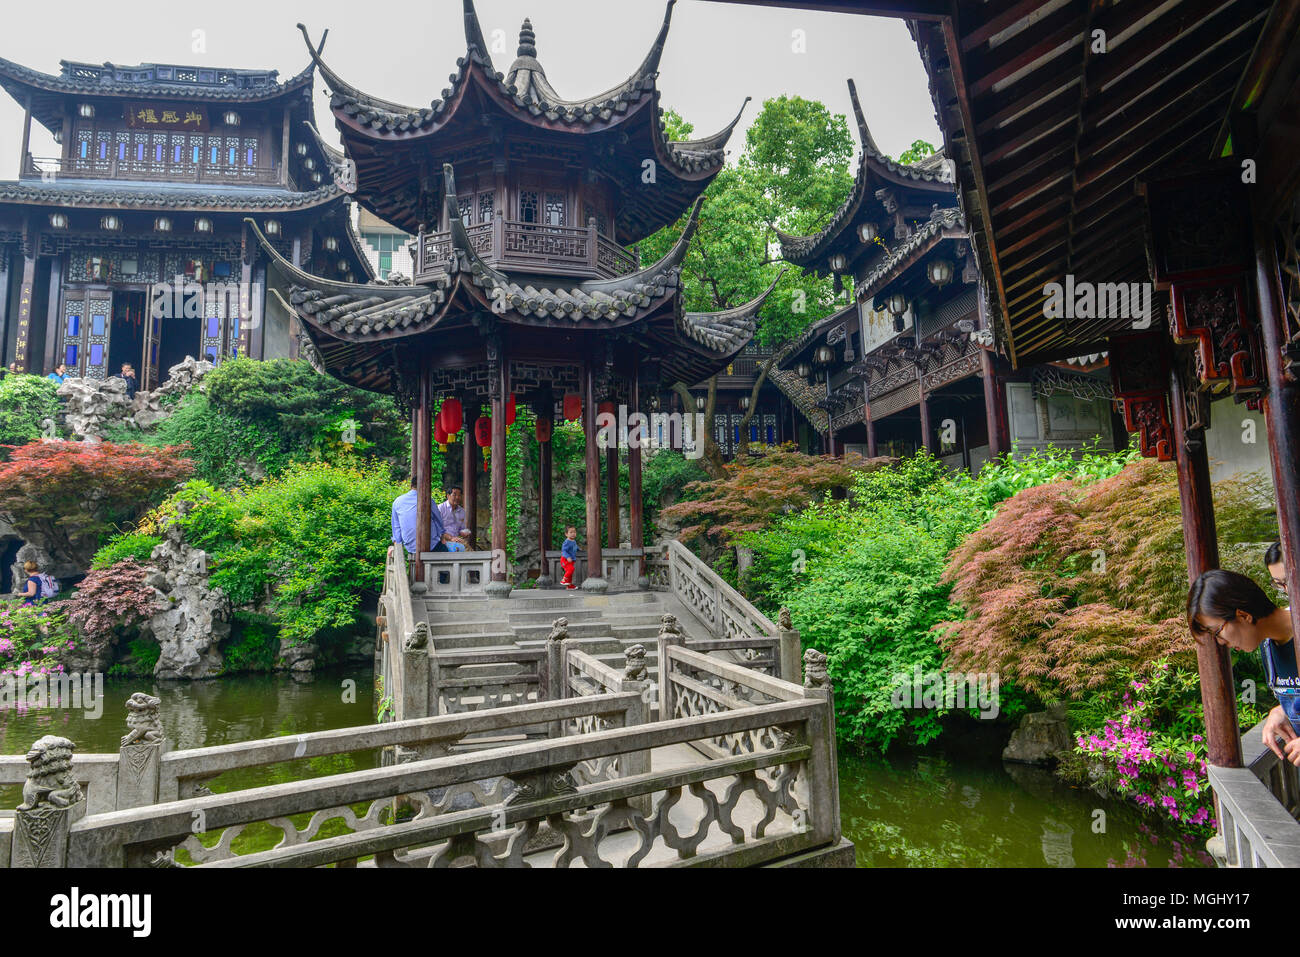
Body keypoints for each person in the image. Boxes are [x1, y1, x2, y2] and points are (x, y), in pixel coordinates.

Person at [1188, 568, 1299, 764]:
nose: (1220, 642)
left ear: (1243, 615)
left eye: (1217, 631)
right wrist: (1282, 710)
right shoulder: (1268, 648)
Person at [390, 476, 451, 556]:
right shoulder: (427, 500)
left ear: (411, 486)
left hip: (410, 547)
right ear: (425, 486)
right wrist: (442, 535)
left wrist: (396, 545)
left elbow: (396, 527)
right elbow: (438, 519)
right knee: (447, 555)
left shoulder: (397, 501)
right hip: (431, 545)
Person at [560, 526, 578, 590]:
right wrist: (567, 557)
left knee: (570, 573)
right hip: (565, 560)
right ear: (566, 534)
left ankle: (569, 586)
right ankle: (564, 580)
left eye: (574, 532)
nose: (573, 533)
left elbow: (575, 548)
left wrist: (579, 549)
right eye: (571, 532)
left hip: (571, 560)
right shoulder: (567, 542)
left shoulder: (574, 541)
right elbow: (564, 551)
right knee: (571, 569)